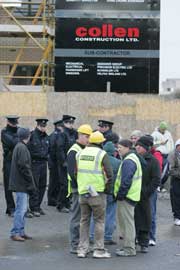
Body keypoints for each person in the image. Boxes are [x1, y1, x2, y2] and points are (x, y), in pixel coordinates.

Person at [76, 131, 113, 258]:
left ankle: (82, 249)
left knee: (84, 220)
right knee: (99, 221)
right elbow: (109, 174)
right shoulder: (102, 154)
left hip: (83, 192)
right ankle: (99, 249)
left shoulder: (80, 153)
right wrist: (108, 190)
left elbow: (75, 172)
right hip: (97, 193)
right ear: (101, 143)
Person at [67, 124, 93, 254]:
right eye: (87, 136)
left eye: (90, 137)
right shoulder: (74, 151)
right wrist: (83, 186)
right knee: (77, 218)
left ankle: (83, 244)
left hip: (84, 189)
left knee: (84, 218)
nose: (89, 139)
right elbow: (72, 173)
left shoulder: (84, 149)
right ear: (80, 135)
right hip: (78, 189)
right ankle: (75, 244)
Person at [114, 139, 142, 257]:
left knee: (127, 223)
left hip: (126, 197)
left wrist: (120, 195)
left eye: (120, 147)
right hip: (131, 196)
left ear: (127, 148)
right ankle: (128, 247)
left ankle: (129, 249)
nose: (118, 149)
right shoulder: (132, 158)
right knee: (128, 223)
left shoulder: (128, 161)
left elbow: (126, 181)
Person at [90, 141, 120, 245]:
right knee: (110, 215)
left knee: (96, 214)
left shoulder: (99, 160)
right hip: (112, 192)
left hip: (100, 191)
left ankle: (92, 235)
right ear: (114, 152)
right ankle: (107, 236)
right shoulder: (118, 162)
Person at [9, 128, 36, 241]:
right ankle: (15, 232)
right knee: (21, 209)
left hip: (20, 183)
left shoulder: (19, 146)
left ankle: (20, 231)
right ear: (27, 136)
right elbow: (25, 167)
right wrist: (31, 183)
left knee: (22, 209)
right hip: (21, 184)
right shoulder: (22, 148)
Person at [135, 136, 161, 253]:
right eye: (136, 146)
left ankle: (144, 242)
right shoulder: (134, 158)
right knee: (133, 218)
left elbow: (156, 179)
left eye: (139, 146)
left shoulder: (153, 161)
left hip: (145, 194)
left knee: (146, 218)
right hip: (133, 193)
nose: (137, 148)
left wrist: (146, 191)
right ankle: (132, 240)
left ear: (145, 148)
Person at [27, 118, 49, 217]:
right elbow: (28, 150)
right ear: (37, 125)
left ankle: (38, 206)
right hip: (35, 164)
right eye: (41, 126)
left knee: (42, 186)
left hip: (44, 164)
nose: (43, 128)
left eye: (44, 126)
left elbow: (49, 149)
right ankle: (33, 207)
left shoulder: (46, 137)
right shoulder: (31, 136)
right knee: (34, 186)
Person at [1, 115, 20, 217]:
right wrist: (19, 138)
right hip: (9, 161)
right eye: (13, 123)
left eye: (15, 123)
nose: (15, 125)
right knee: (9, 186)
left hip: (18, 161)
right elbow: (14, 142)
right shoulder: (4, 132)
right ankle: (11, 208)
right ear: (8, 122)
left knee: (20, 185)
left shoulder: (18, 130)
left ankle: (21, 207)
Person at [48, 119, 69, 208]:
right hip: (54, 162)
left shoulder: (59, 135)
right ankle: (52, 199)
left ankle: (55, 198)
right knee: (53, 181)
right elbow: (53, 149)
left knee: (57, 181)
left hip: (56, 161)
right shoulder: (54, 135)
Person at [151, 121, 174, 190]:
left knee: (166, 171)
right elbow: (151, 143)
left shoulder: (168, 134)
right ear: (160, 128)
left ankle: (161, 185)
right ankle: (157, 185)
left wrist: (171, 150)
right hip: (158, 153)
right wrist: (160, 142)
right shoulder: (154, 134)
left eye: (165, 129)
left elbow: (171, 142)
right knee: (159, 169)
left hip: (167, 154)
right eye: (162, 129)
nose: (163, 130)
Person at [168, 139, 180, 226]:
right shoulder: (173, 154)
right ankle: (177, 217)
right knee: (176, 198)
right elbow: (171, 169)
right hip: (176, 180)